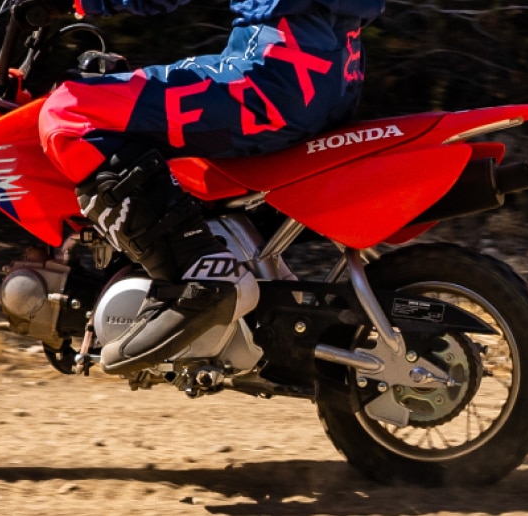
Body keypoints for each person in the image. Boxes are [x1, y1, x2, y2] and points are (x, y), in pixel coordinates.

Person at [27, 0, 386, 375]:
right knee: (126, 96)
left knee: (70, 109)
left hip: (272, 78)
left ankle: (204, 273)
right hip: (325, 76)